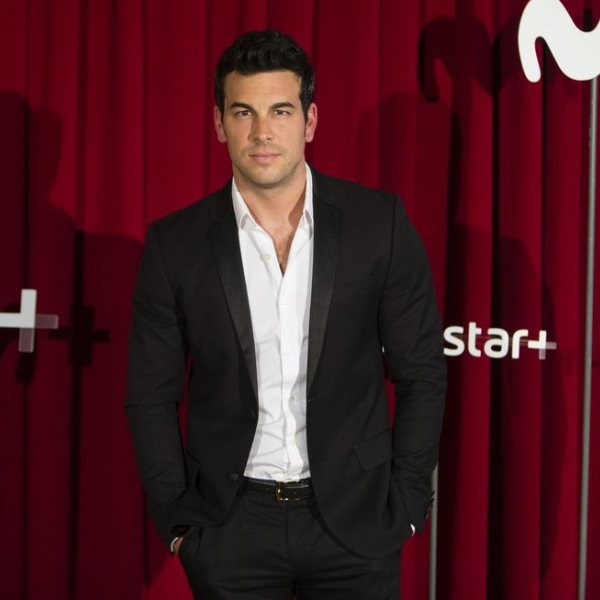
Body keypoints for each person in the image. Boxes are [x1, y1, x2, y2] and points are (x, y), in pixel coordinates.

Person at [126, 29, 446, 600]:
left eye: (280, 110)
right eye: (242, 112)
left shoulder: (380, 226)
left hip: (357, 523)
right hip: (229, 528)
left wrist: (407, 502)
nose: (262, 132)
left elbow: (422, 372)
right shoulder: (175, 245)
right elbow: (151, 394)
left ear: (310, 120)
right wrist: (177, 520)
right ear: (219, 123)